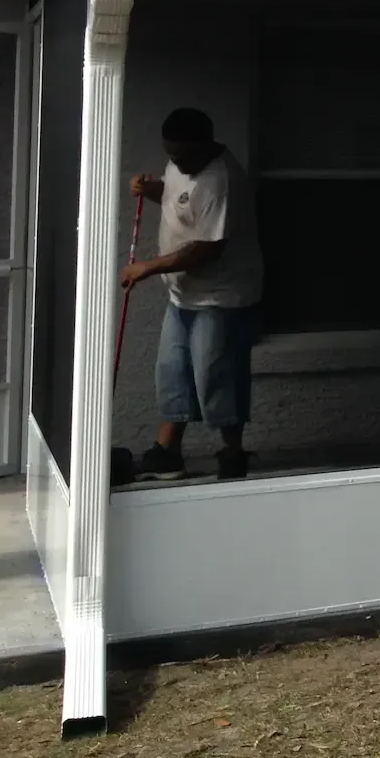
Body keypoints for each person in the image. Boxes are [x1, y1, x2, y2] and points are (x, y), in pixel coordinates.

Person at [120, 107, 265, 480]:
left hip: (221, 298)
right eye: (170, 155)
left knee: (215, 377)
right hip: (184, 296)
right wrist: (149, 189)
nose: (175, 162)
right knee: (173, 373)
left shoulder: (220, 180)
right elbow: (178, 198)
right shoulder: (182, 165)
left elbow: (207, 249)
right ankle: (167, 454)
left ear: (205, 144)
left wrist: (147, 268)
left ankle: (232, 456)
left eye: (182, 156)